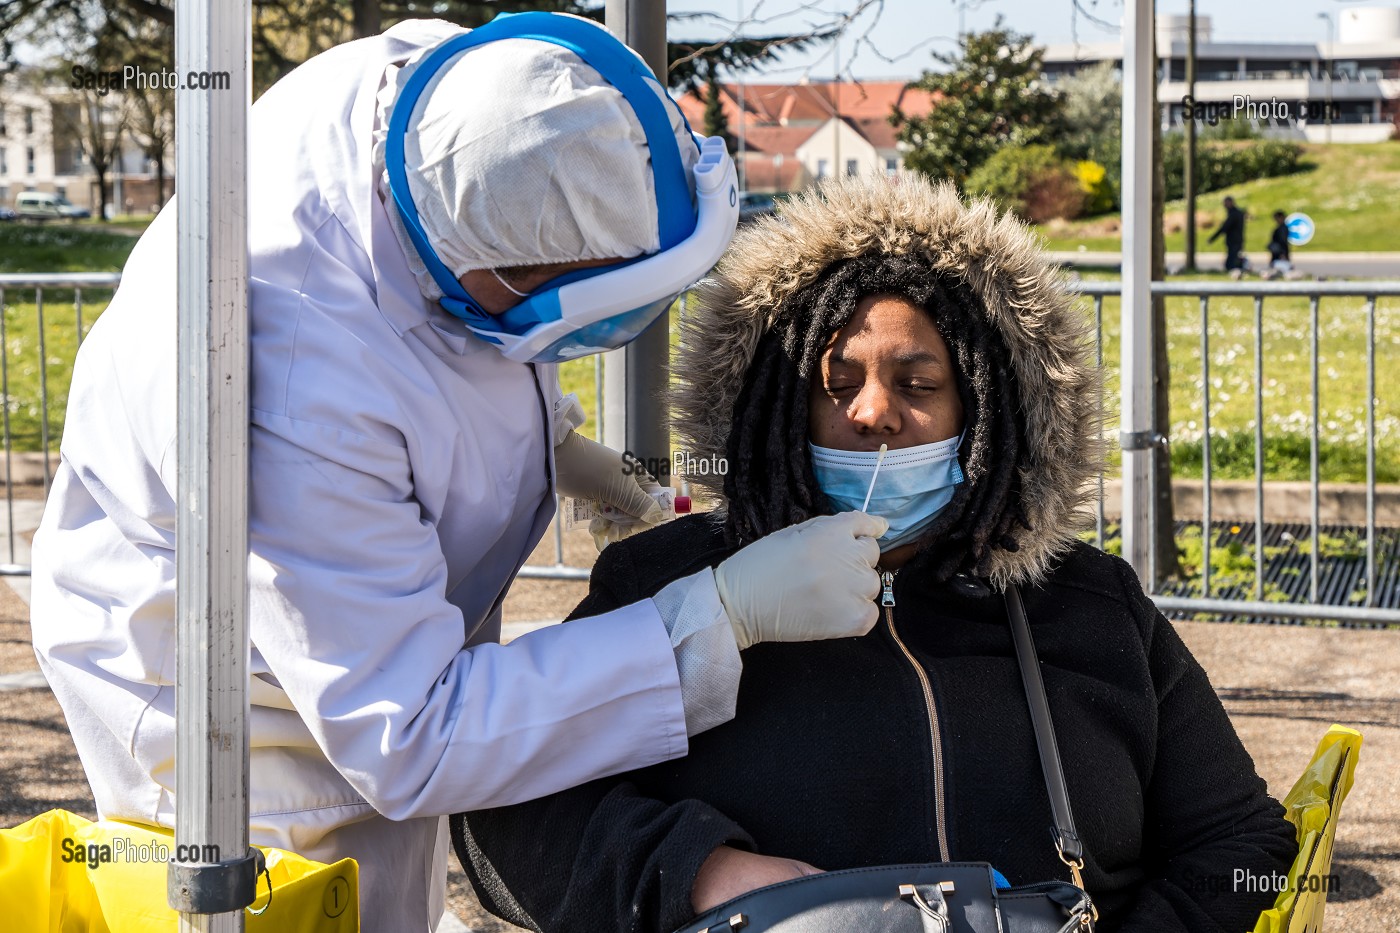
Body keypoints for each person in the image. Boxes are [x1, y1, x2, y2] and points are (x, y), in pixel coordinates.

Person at [28, 13, 889, 930]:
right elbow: (409, 733)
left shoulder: (472, 106)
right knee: (316, 906)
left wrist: (572, 456)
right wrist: (719, 616)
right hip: (237, 709)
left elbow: (473, 335)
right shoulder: (293, 381)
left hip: (347, 591)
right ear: (506, 279)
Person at [455, 175, 1298, 933]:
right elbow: (507, 808)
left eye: (919, 384)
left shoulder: (1093, 602)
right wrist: (705, 874)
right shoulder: (665, 584)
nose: (873, 412)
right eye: (836, 383)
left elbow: (1240, 840)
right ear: (777, 406)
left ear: (989, 410)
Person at [1209, 195, 1248, 275]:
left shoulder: (1234, 214)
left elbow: (1225, 227)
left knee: (1231, 261)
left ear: (1231, 202)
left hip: (1234, 240)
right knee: (1233, 258)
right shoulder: (1237, 212)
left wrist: (1213, 238)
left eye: (1226, 203)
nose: (1224, 205)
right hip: (1237, 239)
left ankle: (1235, 272)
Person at [1266, 210, 1293, 278]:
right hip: (1279, 252)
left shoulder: (1282, 229)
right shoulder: (1282, 228)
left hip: (1279, 253)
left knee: (1280, 269)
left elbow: (1283, 241)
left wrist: (1283, 253)